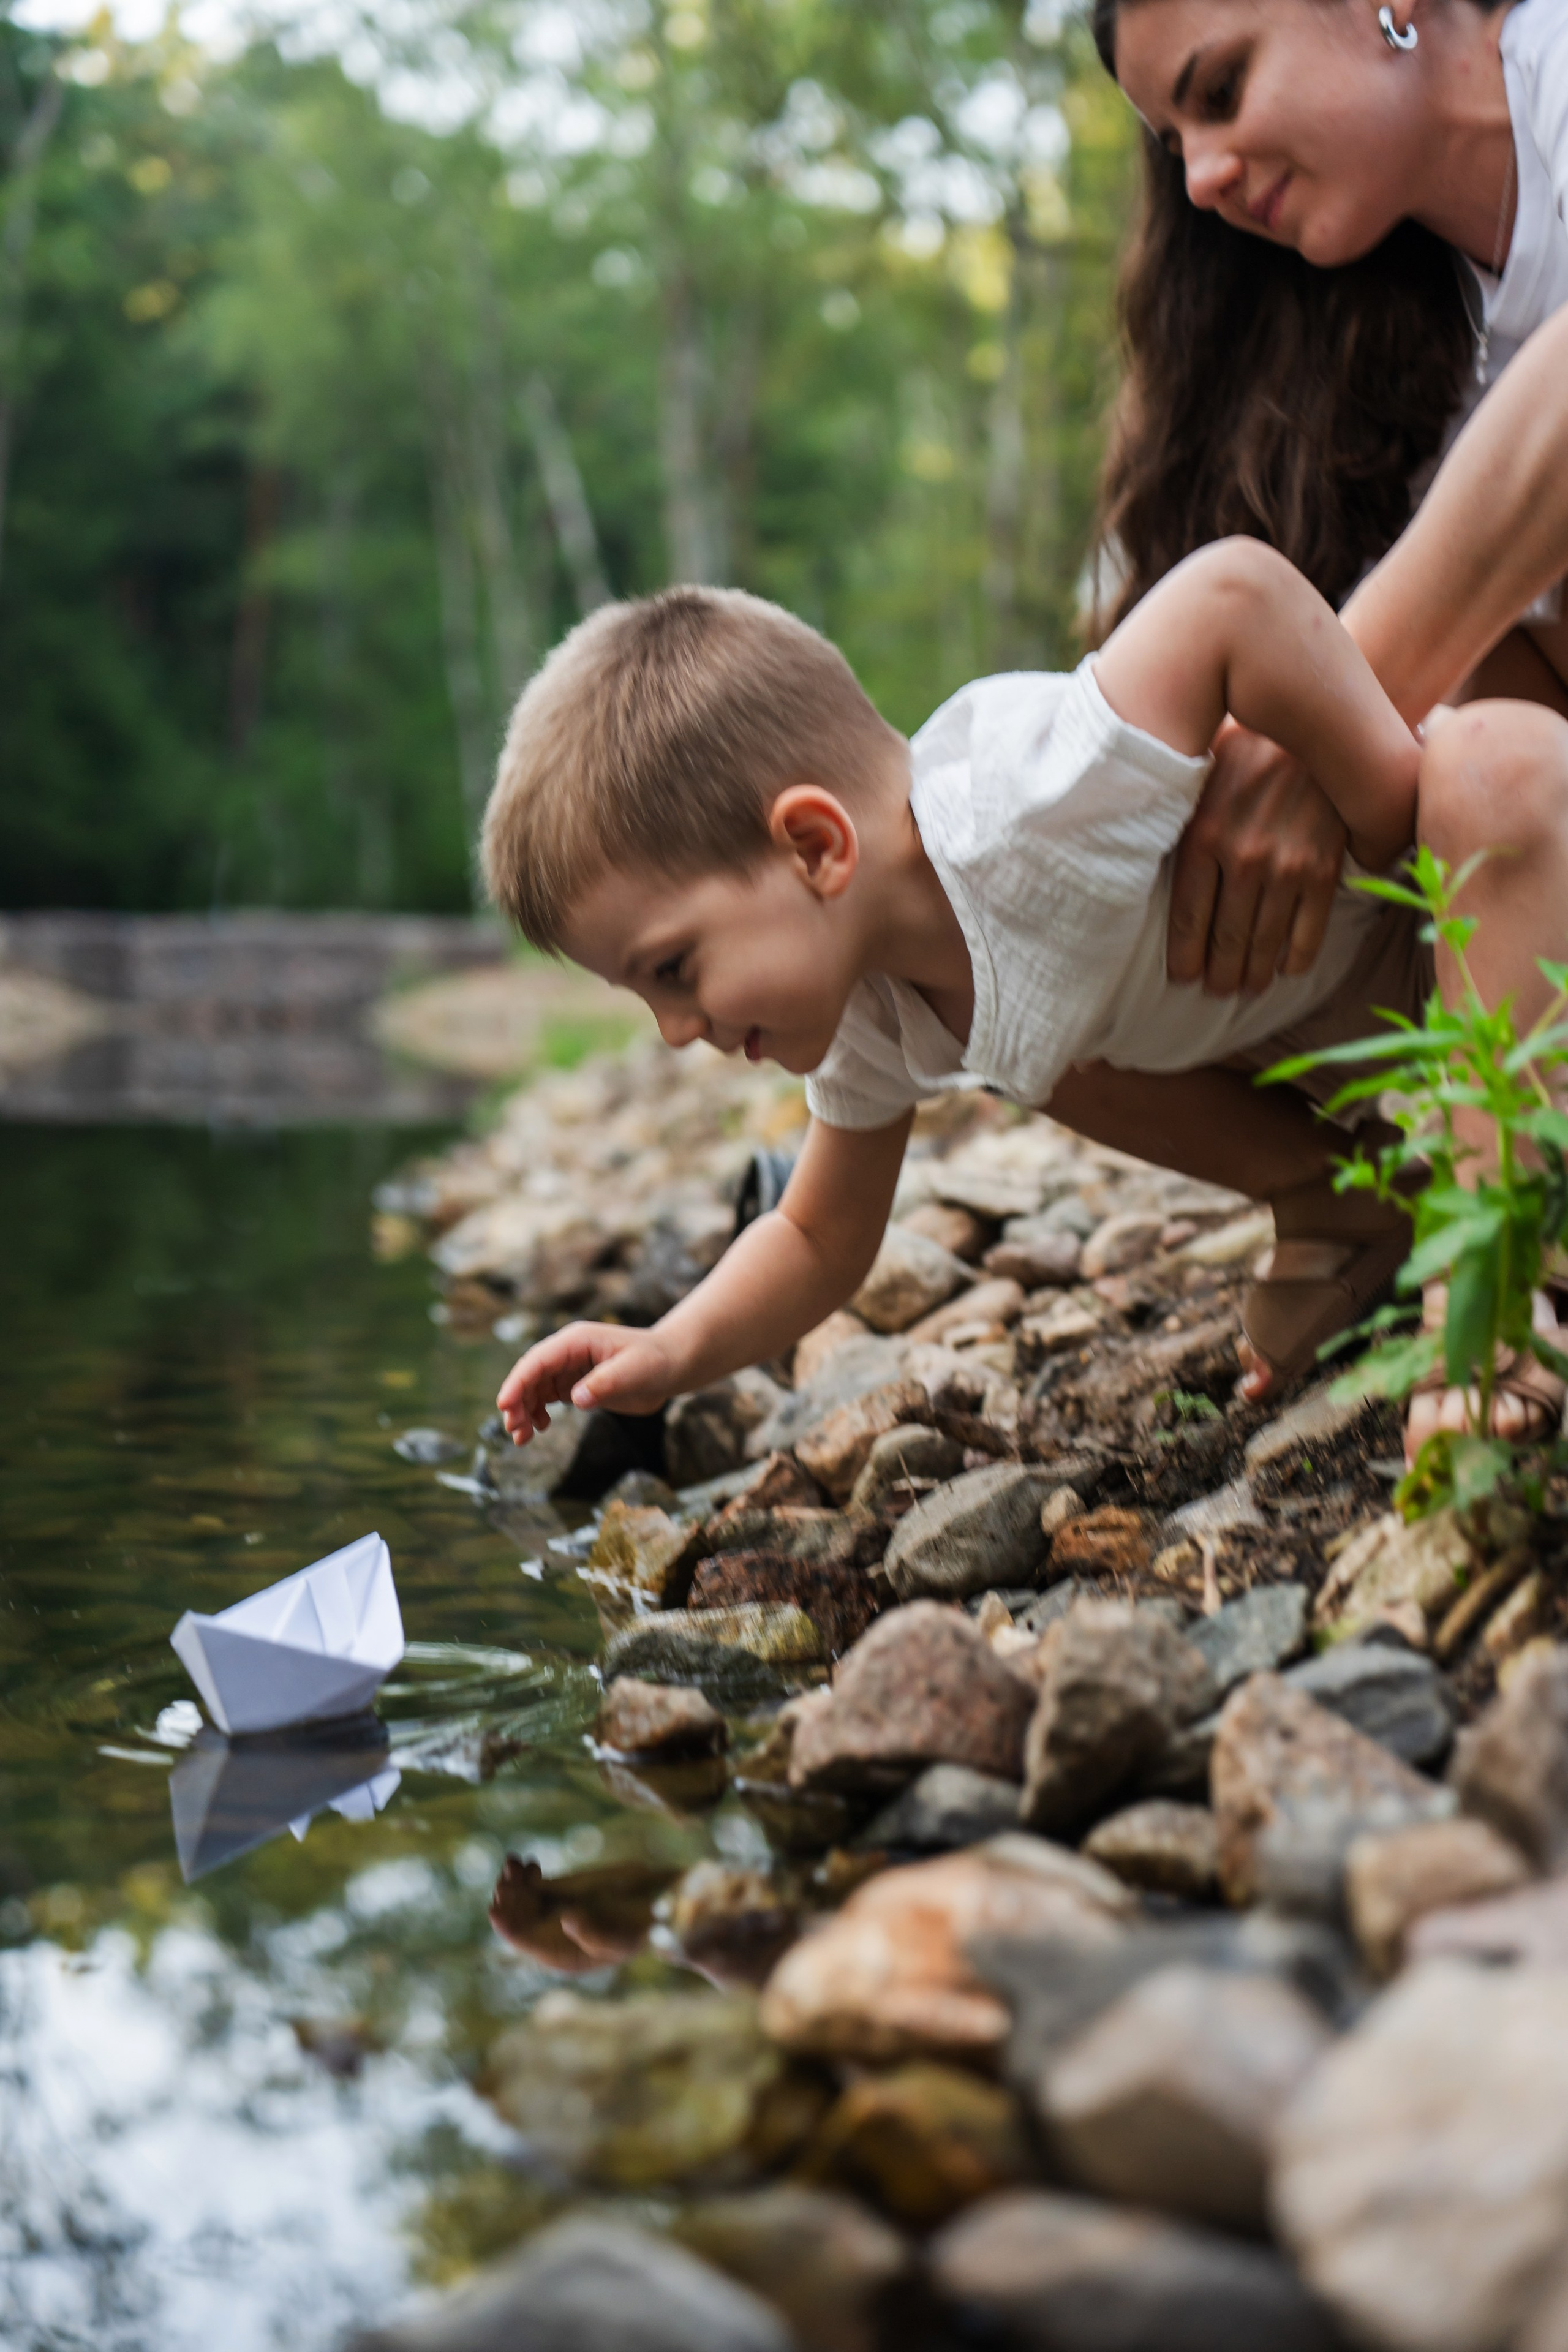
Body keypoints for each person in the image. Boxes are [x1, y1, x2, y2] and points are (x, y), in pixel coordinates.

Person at [484, 557, 1568, 1455]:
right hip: (1377, 1062)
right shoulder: (875, 1010)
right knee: (1026, 1032)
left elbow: (1235, 597)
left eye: (673, 970)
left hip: (1499, 977)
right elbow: (817, 1232)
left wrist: (1381, 815)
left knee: (1494, 762)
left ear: (814, 846)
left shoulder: (1029, 802)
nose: (677, 1031)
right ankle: (1348, 1205)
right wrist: (671, 1350)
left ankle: (1494, 1270)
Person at [1057, 0, 1568, 1448]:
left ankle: (1489, 1272)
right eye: (1174, 146)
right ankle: (1374, 1200)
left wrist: (1340, 702)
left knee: (1467, 729)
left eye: (1219, 92)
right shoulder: (1400, 317)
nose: (1204, 177)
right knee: (1058, 896)